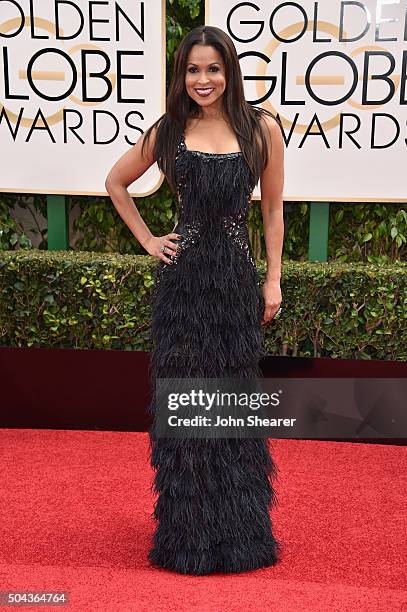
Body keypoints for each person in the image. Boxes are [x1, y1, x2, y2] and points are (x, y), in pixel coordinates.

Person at [105, 25, 285, 575]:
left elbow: (273, 209)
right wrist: (149, 241)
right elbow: (116, 181)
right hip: (182, 290)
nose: (202, 80)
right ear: (180, 75)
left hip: (233, 285)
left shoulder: (262, 129)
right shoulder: (170, 130)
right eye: (192, 70)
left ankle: (238, 534)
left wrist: (273, 279)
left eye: (212, 68)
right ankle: (187, 536)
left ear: (229, 71)